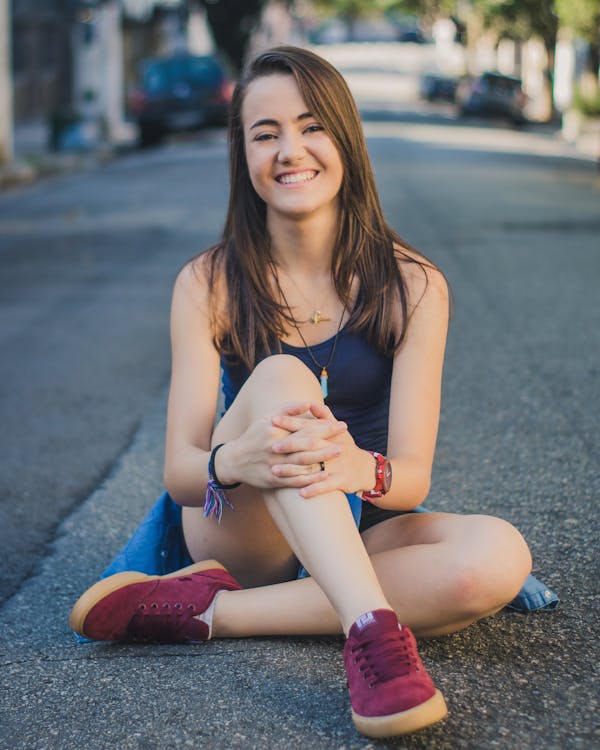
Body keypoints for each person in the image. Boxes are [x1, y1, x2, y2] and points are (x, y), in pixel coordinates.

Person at [69, 46, 532, 738]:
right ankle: (373, 636)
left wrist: (356, 468)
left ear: (345, 137)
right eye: (266, 133)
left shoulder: (414, 287)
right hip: (238, 526)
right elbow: (181, 472)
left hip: (351, 521)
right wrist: (238, 460)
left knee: (497, 559)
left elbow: (409, 478)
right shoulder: (209, 283)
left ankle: (207, 613)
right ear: (244, 157)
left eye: (312, 126)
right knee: (283, 376)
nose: (291, 150)